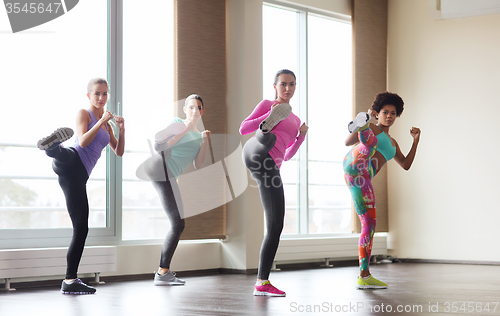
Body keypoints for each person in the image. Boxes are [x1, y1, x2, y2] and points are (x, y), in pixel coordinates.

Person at [37, 78, 125, 294]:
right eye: (97, 94)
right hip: (74, 159)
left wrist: (121, 129)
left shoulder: (107, 124)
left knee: (81, 228)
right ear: (89, 96)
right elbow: (83, 141)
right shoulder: (84, 113)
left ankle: (70, 280)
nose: (101, 98)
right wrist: (101, 120)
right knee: (65, 156)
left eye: (105, 94)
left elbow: (119, 151)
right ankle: (52, 147)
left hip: (76, 177)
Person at [240, 69, 308, 297]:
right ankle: (266, 129)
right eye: (283, 84)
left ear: (295, 87)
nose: (287, 88)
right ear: (275, 86)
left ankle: (262, 281)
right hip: (255, 150)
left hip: (269, 166)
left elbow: (287, 155)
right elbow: (243, 128)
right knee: (265, 137)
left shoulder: (296, 120)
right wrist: (268, 115)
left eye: (292, 84)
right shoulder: (266, 103)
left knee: (276, 225)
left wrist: (301, 137)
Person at [344, 91, 421, 289]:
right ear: (377, 114)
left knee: (369, 224)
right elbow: (346, 142)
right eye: (385, 112)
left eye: (393, 113)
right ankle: (361, 127)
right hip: (355, 161)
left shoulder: (394, 144)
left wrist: (415, 142)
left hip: (362, 178)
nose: (389, 116)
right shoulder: (372, 127)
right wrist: (365, 124)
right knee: (368, 144)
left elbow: (405, 164)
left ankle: (364, 275)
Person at [139, 94, 211, 286]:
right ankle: (162, 273)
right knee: (161, 146)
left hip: (166, 173)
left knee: (178, 223)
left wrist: (204, 141)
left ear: (202, 111)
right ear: (185, 110)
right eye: (191, 107)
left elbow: (199, 164)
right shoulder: (178, 123)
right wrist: (184, 129)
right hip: (161, 164)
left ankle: (164, 272)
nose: (195, 110)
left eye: (198, 107)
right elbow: (166, 147)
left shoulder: (198, 135)